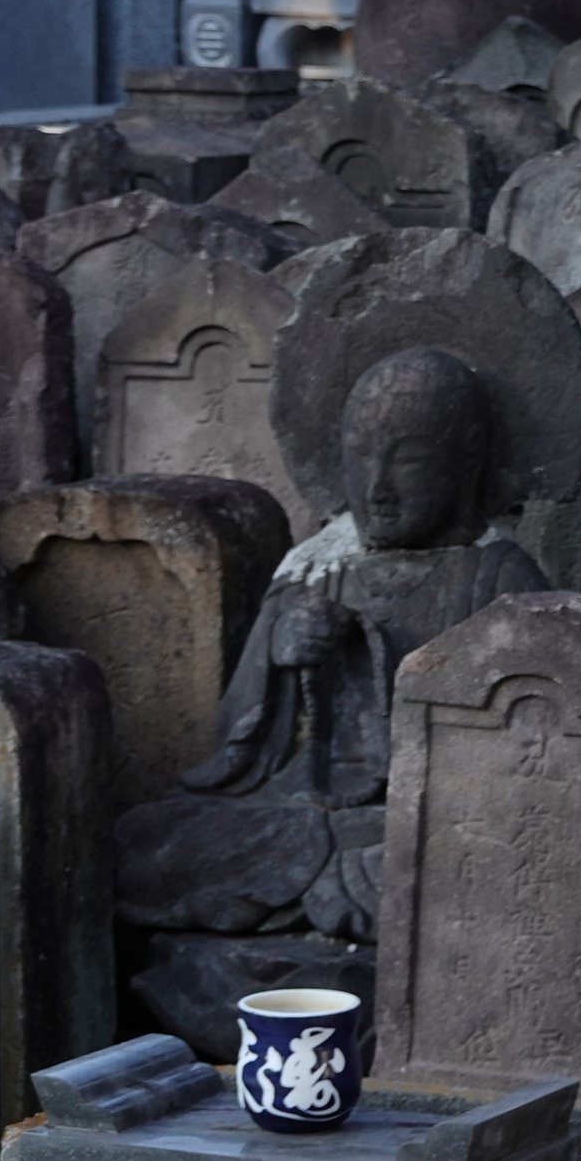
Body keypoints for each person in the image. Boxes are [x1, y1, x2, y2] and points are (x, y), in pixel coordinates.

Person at [114, 348, 546, 940]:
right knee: (142, 839)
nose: (378, 487)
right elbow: (234, 742)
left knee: (482, 856)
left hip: (423, 813)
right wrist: (279, 660)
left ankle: (321, 895)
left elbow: (533, 755)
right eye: (359, 456)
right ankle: (331, 893)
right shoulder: (315, 568)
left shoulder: (501, 578)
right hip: (301, 813)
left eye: (408, 460)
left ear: (466, 459)